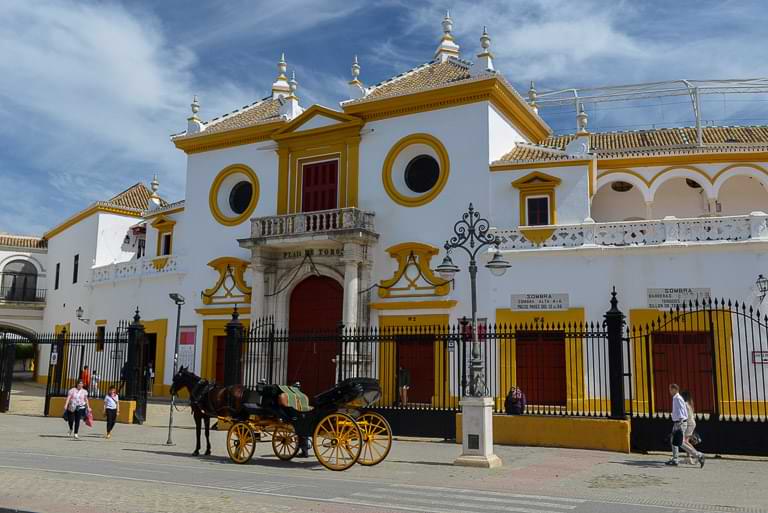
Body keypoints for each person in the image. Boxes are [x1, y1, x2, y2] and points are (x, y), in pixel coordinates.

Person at [666, 384, 705, 467]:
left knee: (681, 442)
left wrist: (680, 422)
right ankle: (675, 459)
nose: (669, 391)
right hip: (678, 422)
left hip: (679, 423)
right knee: (674, 441)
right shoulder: (676, 398)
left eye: (670, 389)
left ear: (674, 389)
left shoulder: (678, 398)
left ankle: (698, 455)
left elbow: (681, 410)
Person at [680, 390, 705, 465]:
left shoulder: (684, 404)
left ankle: (698, 455)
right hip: (691, 423)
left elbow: (683, 416)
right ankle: (689, 458)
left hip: (689, 424)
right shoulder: (690, 404)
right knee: (686, 441)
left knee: (684, 442)